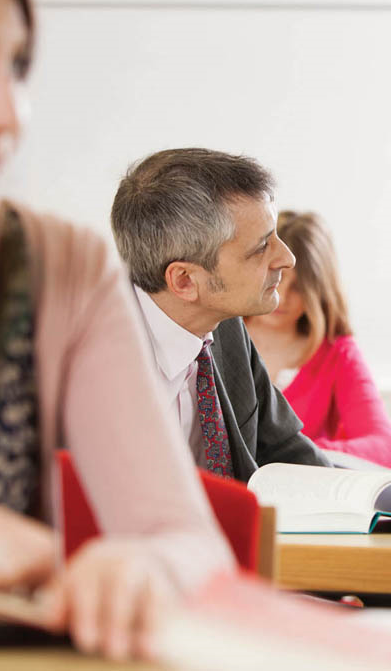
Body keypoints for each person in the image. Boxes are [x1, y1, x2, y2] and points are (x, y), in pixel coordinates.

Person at [0, 0, 230, 660]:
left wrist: (145, 568)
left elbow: (191, 545)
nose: (7, 115)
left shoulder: (63, 267)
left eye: (16, 67)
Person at [110, 149, 331, 481]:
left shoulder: (226, 327)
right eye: (261, 247)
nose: (287, 258)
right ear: (185, 280)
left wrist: (374, 499)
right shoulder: (87, 357)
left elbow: (286, 452)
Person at [245, 211, 391, 470]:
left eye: (298, 287)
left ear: (318, 289)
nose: (282, 296)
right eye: (275, 277)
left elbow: (385, 450)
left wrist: (298, 452)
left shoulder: (337, 352)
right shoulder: (216, 333)